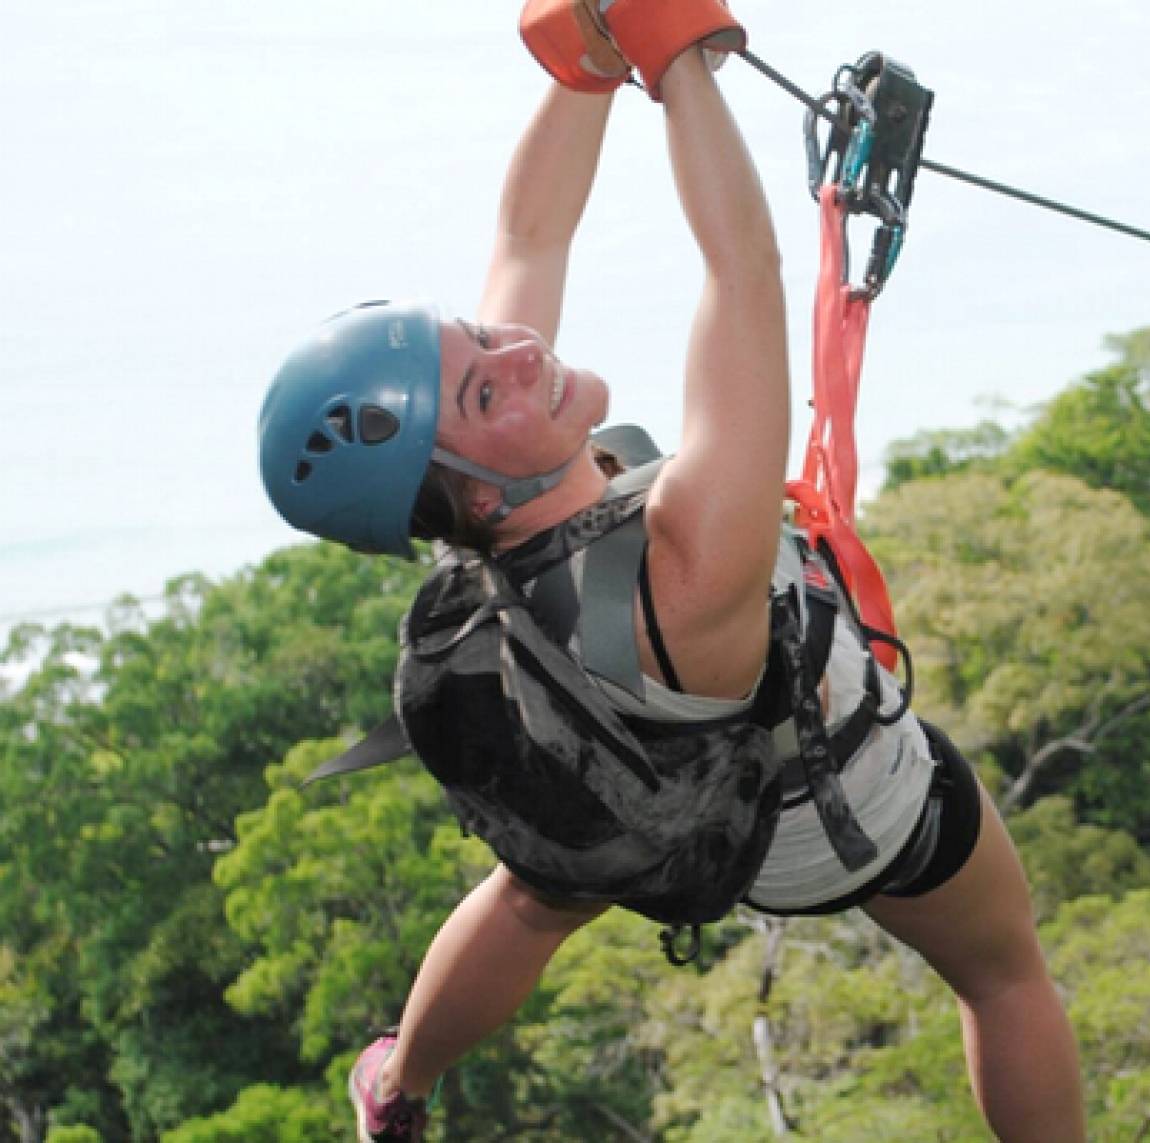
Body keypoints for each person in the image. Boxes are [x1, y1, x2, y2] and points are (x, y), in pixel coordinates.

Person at [253, 4, 1084, 1140]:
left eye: (474, 335)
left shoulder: (485, 527)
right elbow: (741, 270)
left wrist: (587, 65)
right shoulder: (687, 556)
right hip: (836, 818)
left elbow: (529, 235)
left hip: (630, 786)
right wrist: (680, 56)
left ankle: (396, 1089)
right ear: (477, 490)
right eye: (483, 387)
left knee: (537, 897)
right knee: (1003, 976)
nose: (515, 349)